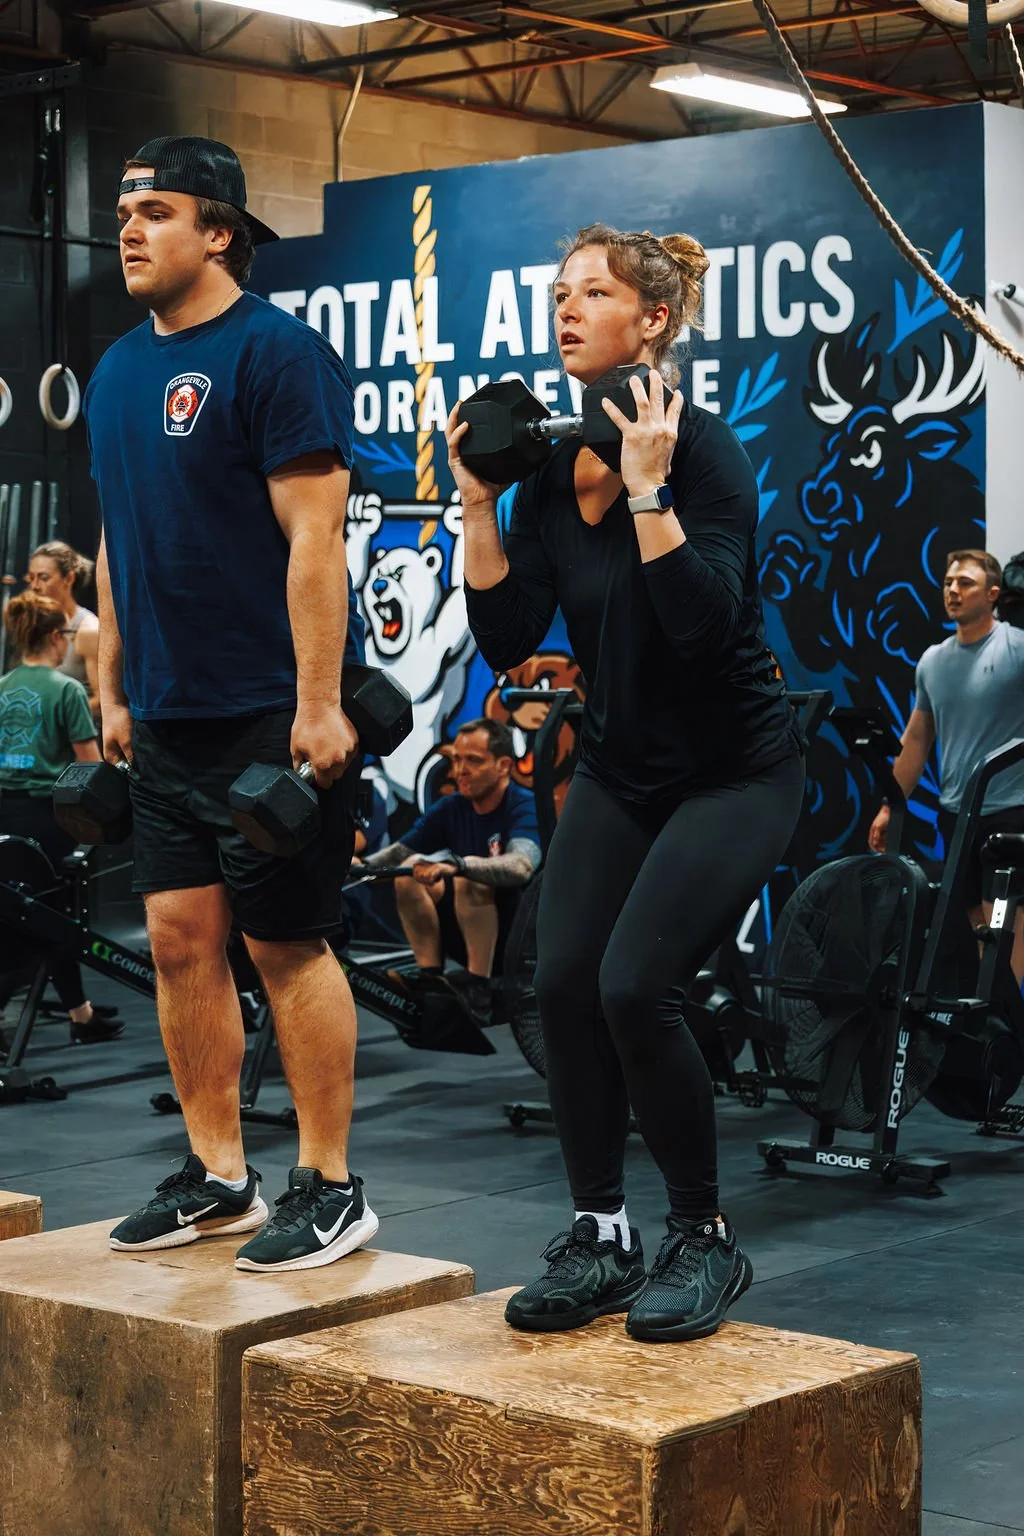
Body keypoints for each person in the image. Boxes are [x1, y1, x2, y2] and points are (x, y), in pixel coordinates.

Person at [447, 222, 805, 1341]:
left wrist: (650, 495)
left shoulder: (703, 454)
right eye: (559, 294)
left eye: (591, 294)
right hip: (620, 765)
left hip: (734, 773)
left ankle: (703, 1236)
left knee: (632, 987)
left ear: (651, 322)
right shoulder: (553, 473)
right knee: (557, 987)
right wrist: (473, 501)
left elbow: (702, 627)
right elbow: (509, 633)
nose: (565, 311)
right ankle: (602, 1234)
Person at [84, 135, 377, 1273]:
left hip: (267, 707)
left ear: (219, 232)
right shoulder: (115, 371)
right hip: (162, 713)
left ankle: (331, 1184)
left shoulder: (277, 355)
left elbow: (316, 536)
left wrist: (318, 700)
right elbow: (121, 541)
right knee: (175, 941)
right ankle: (218, 1174)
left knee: (285, 942)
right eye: (124, 210)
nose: (130, 228)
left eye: (154, 209)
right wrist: (112, 685)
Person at [869, 549, 1024, 984]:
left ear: (993, 594)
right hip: (958, 814)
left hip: (1011, 811)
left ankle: (1006, 1030)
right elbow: (916, 740)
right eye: (948, 583)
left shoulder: (1017, 650)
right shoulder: (933, 662)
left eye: (966, 583)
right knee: (976, 928)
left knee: (1006, 928)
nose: (953, 590)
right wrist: (889, 806)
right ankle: (993, 1036)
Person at [358, 718, 541, 1018]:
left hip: (520, 940)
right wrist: (360, 868)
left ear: (504, 765)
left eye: (473, 761)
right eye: (456, 759)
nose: (460, 771)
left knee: (471, 877)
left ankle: (479, 985)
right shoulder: (452, 807)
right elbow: (400, 852)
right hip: (470, 929)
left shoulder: (524, 805)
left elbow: (521, 866)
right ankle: (431, 978)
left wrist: (458, 865)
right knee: (411, 870)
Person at [0, 592, 120, 1042]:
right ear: (56, 637)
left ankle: (81, 1016)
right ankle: (81, 1017)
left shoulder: (3, 685)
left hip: (5, 816)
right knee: (47, 922)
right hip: (46, 821)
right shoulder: (67, 690)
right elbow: (88, 771)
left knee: (35, 916)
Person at [27, 542, 100, 717]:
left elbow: (101, 702)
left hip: (74, 737)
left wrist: (51, 720)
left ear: (69, 579)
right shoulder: (36, 624)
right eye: (31, 578)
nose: (35, 586)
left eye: (44, 577)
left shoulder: (88, 629)